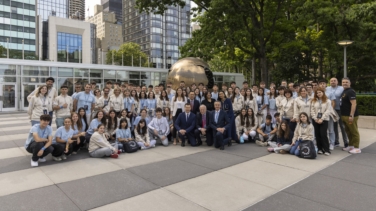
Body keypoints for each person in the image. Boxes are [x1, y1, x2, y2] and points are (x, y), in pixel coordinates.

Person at [340, 77, 361, 154]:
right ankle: (351, 145)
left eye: (346, 82)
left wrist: (351, 115)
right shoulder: (344, 91)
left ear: (350, 83)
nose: (345, 83)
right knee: (348, 131)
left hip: (350, 115)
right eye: (343, 82)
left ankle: (357, 147)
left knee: (354, 131)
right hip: (344, 115)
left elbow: (354, 104)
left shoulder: (350, 91)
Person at [327, 77, 349, 147]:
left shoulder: (341, 88)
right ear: (330, 82)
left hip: (340, 109)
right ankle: (336, 141)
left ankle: (346, 141)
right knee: (334, 126)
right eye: (331, 81)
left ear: (337, 82)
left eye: (334, 81)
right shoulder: (327, 89)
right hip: (331, 110)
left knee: (342, 126)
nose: (333, 82)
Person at [311, 87, 332, 155]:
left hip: (324, 120)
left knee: (323, 134)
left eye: (320, 92)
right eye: (317, 93)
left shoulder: (327, 101)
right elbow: (312, 110)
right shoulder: (314, 101)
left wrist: (322, 119)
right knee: (317, 134)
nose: (318, 94)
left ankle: (326, 149)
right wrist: (315, 118)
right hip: (316, 120)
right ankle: (320, 149)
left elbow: (328, 111)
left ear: (323, 92)